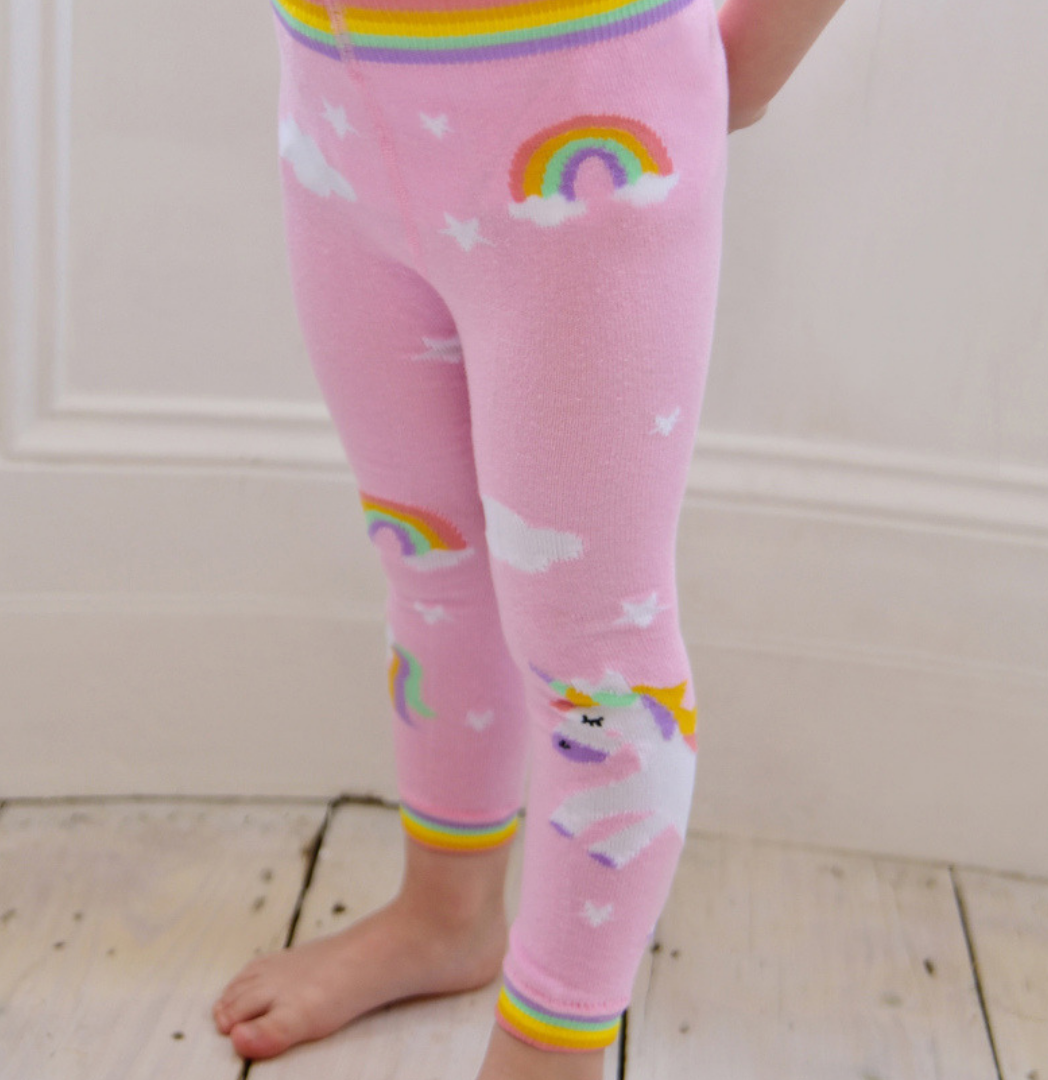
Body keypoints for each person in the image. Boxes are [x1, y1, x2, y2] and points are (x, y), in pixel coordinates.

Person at [213, 0, 845, 1076]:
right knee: (428, 562)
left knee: (596, 657)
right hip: (337, 115)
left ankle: (554, 1040)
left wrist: (753, 64)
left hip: (585, 104)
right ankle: (445, 914)